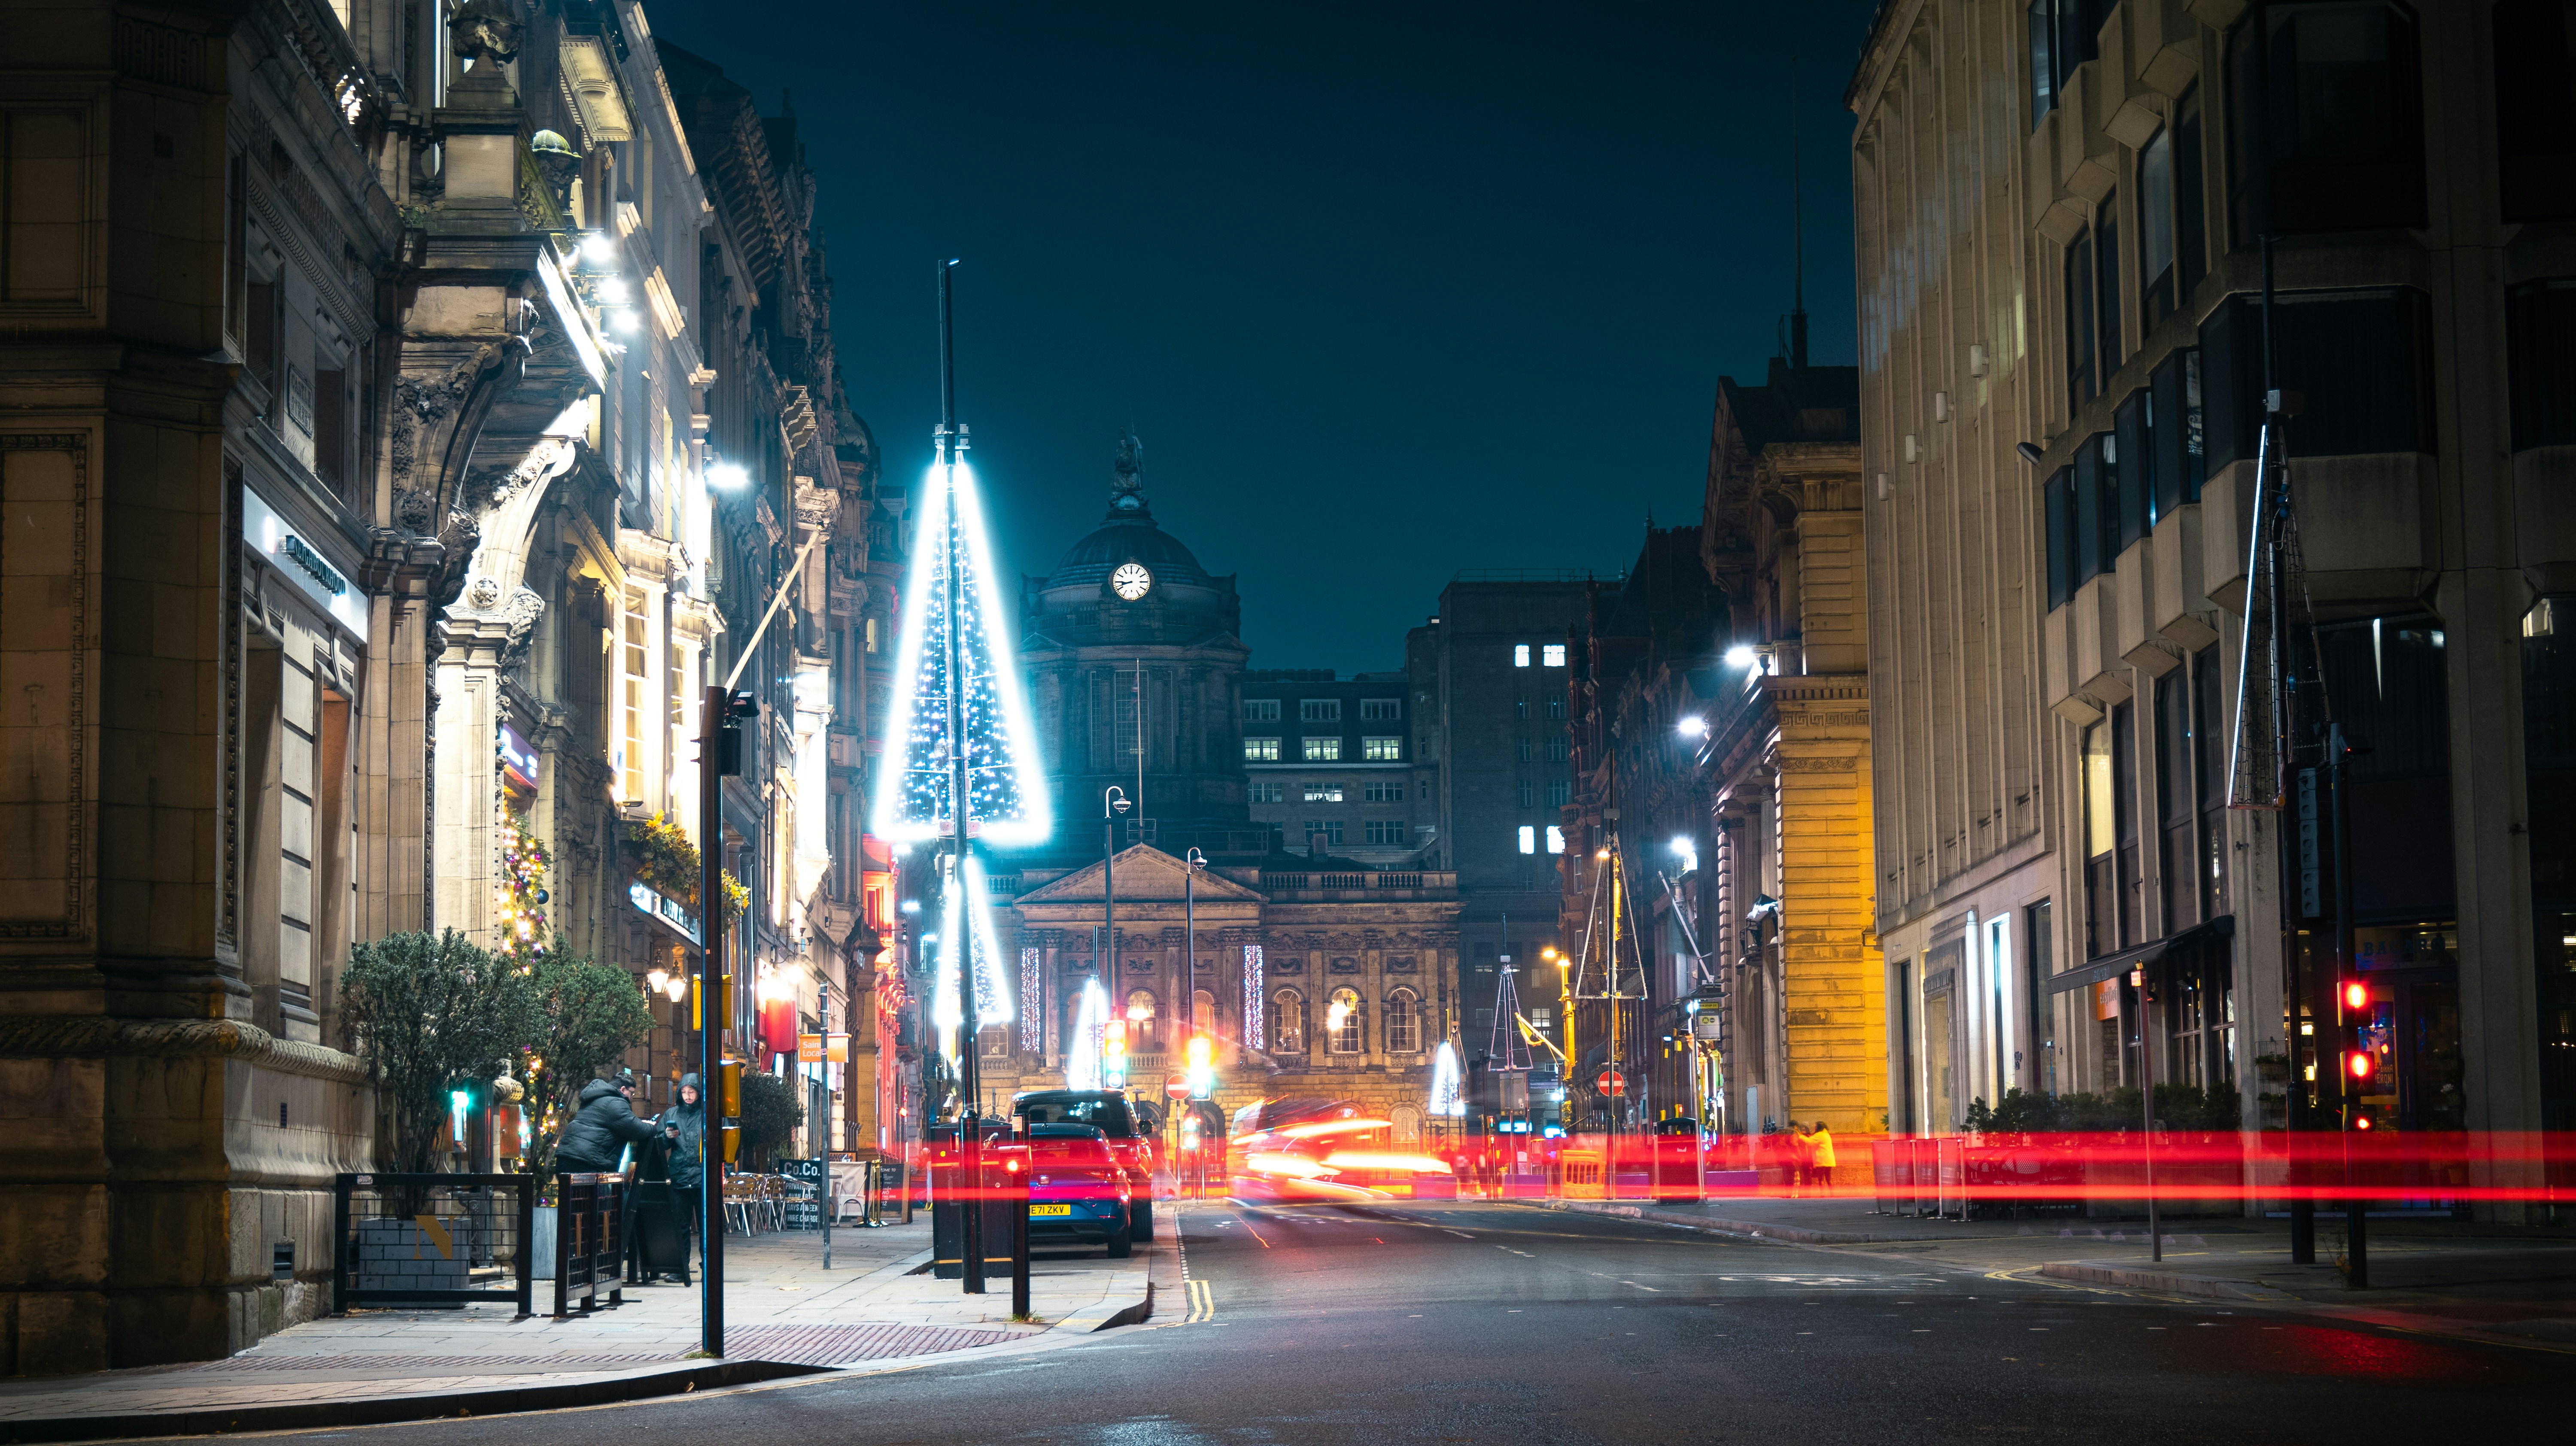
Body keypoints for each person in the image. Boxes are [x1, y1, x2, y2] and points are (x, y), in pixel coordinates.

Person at [555, 1069, 659, 1176]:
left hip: (566, 1157)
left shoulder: (595, 1097)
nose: (631, 1098)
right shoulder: (616, 1103)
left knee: (569, 1193)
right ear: (623, 1090)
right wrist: (651, 1126)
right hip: (587, 1162)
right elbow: (638, 1130)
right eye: (632, 1093)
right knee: (599, 1193)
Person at [661, 1074, 706, 1282]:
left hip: (702, 1177)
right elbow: (659, 1144)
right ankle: (680, 1268)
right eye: (685, 1092)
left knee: (706, 1227)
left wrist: (723, 1173)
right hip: (680, 1177)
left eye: (692, 1092)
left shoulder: (707, 1114)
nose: (688, 1096)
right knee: (681, 1225)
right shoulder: (672, 1113)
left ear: (699, 1093)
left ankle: (708, 1266)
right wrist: (666, 1137)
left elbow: (722, 1143)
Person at [1807, 1119, 1837, 1194]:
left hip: (1822, 1160)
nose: (1814, 1128)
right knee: (1829, 1179)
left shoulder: (1819, 1135)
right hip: (1829, 1160)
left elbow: (1809, 1142)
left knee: (1821, 1179)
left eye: (1815, 1127)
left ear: (1819, 1127)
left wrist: (1800, 1136)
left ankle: (1823, 1194)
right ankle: (1832, 1193)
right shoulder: (1827, 1135)